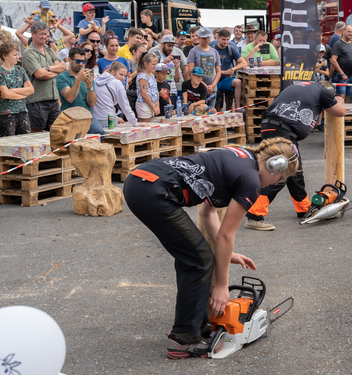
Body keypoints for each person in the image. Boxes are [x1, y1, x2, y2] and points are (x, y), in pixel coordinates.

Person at [123, 137, 298, 358]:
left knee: (193, 257)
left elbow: (208, 212)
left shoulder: (241, 156)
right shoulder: (250, 180)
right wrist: (222, 285)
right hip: (156, 191)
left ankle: (195, 325)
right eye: (281, 178)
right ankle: (183, 340)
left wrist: (228, 254)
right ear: (275, 164)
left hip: (142, 179)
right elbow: (226, 234)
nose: (276, 183)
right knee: (200, 260)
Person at [245, 82, 346, 231]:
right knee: (282, 174)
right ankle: (254, 215)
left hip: (271, 126)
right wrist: (339, 102)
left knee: (295, 172)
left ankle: (303, 208)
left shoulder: (299, 87)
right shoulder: (323, 91)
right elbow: (340, 112)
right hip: (283, 129)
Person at [22, 21, 68, 132]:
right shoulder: (29, 52)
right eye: (41, 34)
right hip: (37, 101)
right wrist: (55, 69)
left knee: (57, 133)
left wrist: (48, 68)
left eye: (46, 34)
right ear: (32, 34)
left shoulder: (48, 49)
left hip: (53, 100)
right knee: (36, 134)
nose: (44, 37)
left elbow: (63, 67)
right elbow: (39, 74)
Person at [56, 47, 104, 135]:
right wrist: (78, 80)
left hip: (86, 115)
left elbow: (92, 104)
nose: (81, 64)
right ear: (69, 60)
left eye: (83, 61)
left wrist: (90, 87)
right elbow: (70, 98)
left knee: (99, 131)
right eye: (77, 61)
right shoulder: (61, 77)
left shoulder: (87, 76)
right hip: (69, 116)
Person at [0, 42, 34, 136]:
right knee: (10, 143)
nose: (18, 57)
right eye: (15, 54)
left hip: (22, 111)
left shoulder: (20, 70)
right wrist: (24, 93)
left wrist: (11, 90)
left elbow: (31, 90)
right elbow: (6, 94)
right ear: (5, 55)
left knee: (25, 141)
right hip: (6, 113)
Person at [94, 62, 141, 127]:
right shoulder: (117, 83)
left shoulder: (96, 79)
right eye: (121, 74)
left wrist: (116, 117)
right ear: (113, 72)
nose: (123, 78)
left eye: (125, 76)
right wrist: (135, 123)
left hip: (95, 120)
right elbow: (125, 106)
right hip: (108, 120)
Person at [187, 27, 221, 109]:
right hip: (198, 88)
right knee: (197, 111)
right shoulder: (193, 51)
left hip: (212, 88)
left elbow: (218, 71)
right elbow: (191, 71)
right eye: (204, 38)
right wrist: (205, 86)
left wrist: (213, 85)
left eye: (208, 37)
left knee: (210, 112)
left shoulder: (214, 52)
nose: (206, 40)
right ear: (199, 38)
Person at [213, 29, 247, 111]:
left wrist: (232, 69)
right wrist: (224, 72)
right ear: (218, 38)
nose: (226, 42)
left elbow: (244, 63)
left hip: (226, 79)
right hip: (215, 80)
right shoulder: (213, 50)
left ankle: (238, 109)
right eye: (223, 39)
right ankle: (217, 120)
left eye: (227, 39)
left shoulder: (231, 49)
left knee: (229, 100)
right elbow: (209, 68)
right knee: (218, 102)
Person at [329, 24, 352, 102]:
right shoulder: (338, 44)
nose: (350, 34)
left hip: (351, 75)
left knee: (347, 99)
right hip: (341, 76)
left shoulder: (351, 45)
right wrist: (342, 74)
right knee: (341, 98)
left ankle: (344, 114)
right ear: (343, 31)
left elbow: (351, 58)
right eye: (348, 31)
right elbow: (333, 60)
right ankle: (340, 114)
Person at [135, 53, 159, 121]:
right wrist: (153, 107)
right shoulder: (142, 76)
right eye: (153, 64)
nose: (155, 66)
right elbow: (144, 94)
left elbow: (156, 91)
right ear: (145, 64)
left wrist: (157, 105)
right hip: (144, 106)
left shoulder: (152, 75)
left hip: (153, 104)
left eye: (156, 64)